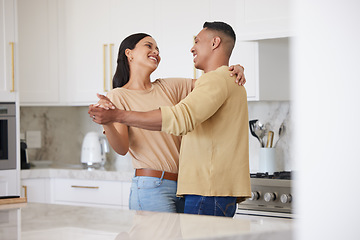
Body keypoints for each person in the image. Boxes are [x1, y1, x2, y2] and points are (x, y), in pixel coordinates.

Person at [89, 21, 251, 218]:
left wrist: (235, 68)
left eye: (157, 48)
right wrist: (108, 121)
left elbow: (216, 81)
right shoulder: (117, 96)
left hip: (183, 185)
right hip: (152, 185)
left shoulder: (168, 87)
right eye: (149, 46)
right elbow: (122, 148)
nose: (155, 51)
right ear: (129, 53)